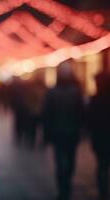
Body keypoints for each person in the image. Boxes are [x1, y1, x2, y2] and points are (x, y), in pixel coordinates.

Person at [42, 60, 83, 200]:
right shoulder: (76, 91)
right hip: (71, 132)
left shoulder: (52, 92)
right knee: (70, 161)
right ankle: (66, 185)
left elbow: (47, 115)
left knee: (60, 161)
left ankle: (62, 187)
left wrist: (46, 134)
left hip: (58, 133)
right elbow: (80, 113)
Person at [87, 58, 110, 200]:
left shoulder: (95, 99)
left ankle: (103, 190)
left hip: (100, 138)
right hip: (104, 136)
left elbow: (89, 120)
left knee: (101, 165)